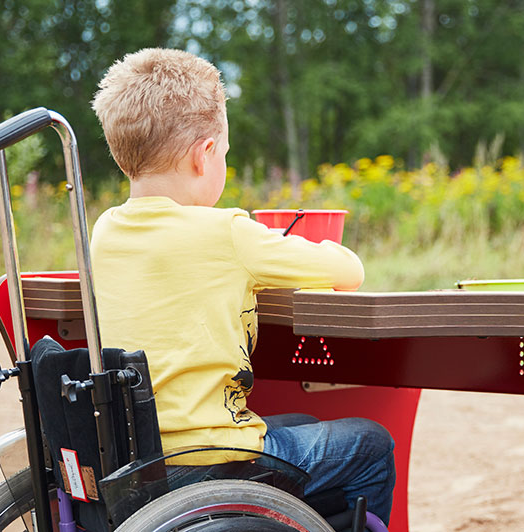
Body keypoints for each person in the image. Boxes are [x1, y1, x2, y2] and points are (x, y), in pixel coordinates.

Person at [87, 48, 397, 522]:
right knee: (371, 443)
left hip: (138, 458)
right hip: (209, 460)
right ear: (204, 155)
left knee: (304, 426)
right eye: (225, 154)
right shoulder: (228, 232)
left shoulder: (105, 230)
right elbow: (348, 270)